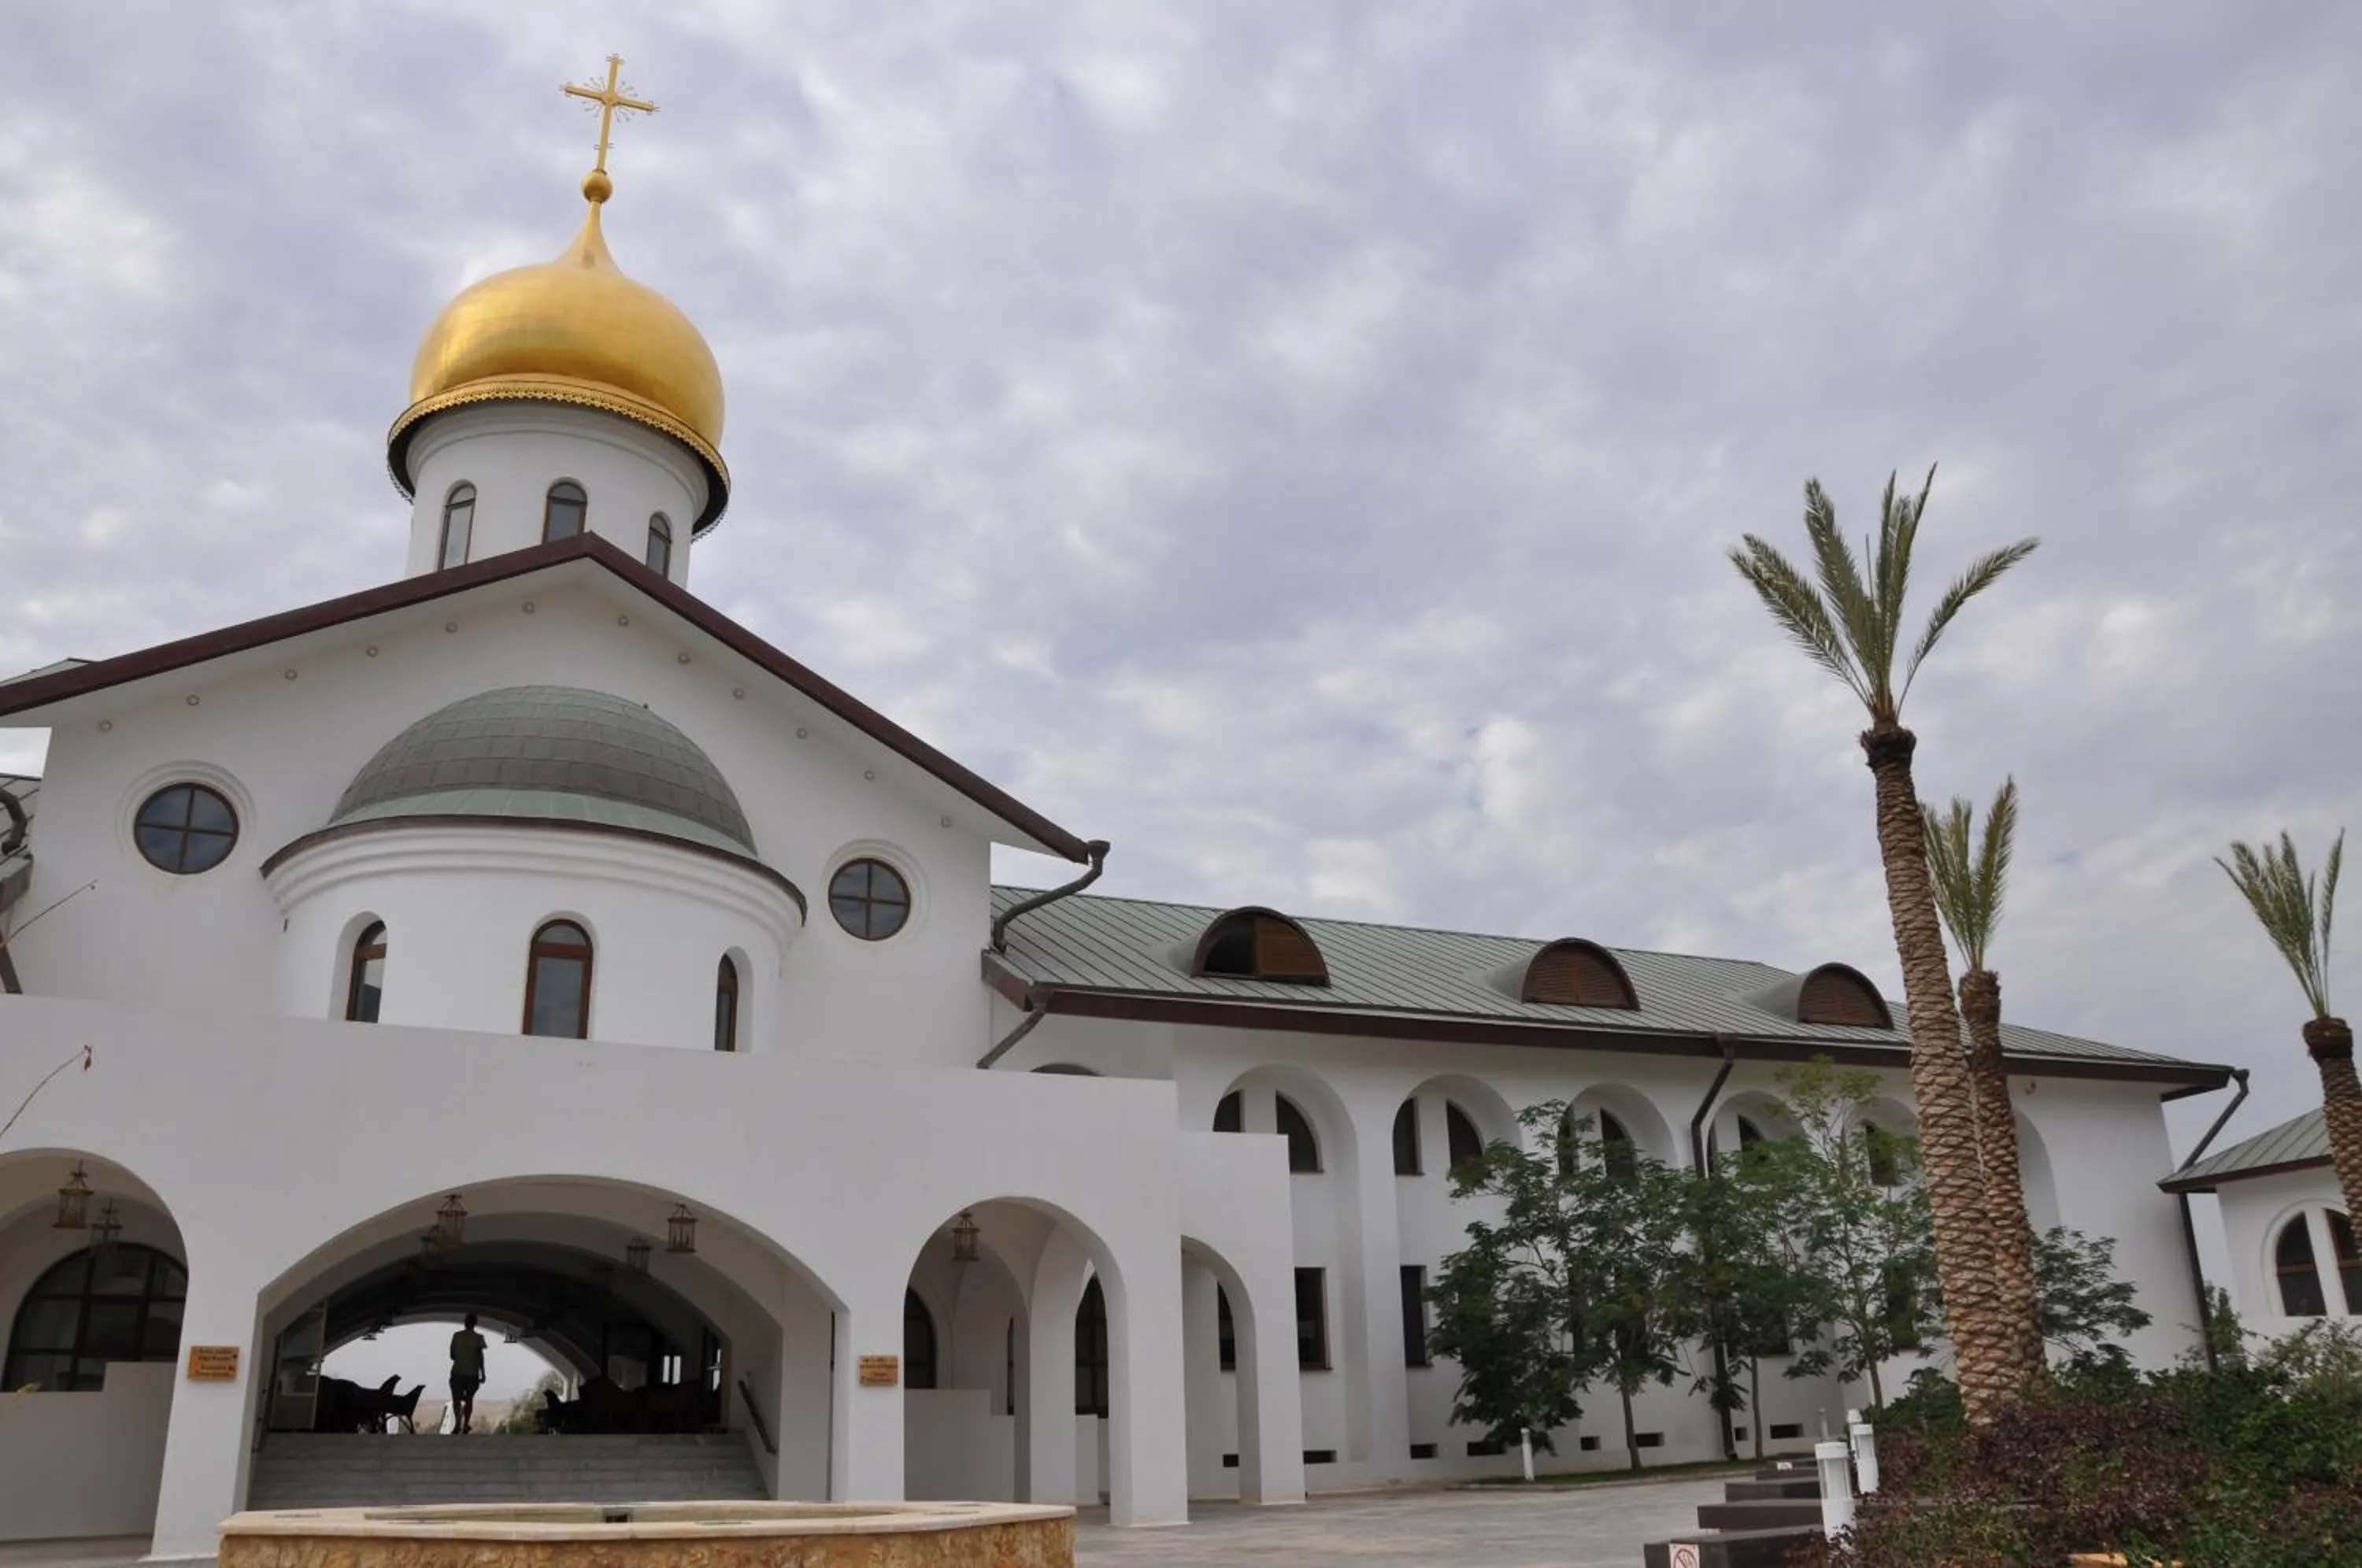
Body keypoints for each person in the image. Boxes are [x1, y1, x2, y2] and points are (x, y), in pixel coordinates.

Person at [448, 1313, 488, 1434]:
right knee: (469, 1400)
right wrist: (483, 1373)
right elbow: (480, 1358)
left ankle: (457, 1424)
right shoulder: (479, 1338)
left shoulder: (457, 1336)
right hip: (472, 1374)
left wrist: (461, 1355)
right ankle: (465, 1425)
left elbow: (452, 1356)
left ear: (465, 1323)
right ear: (475, 1324)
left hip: (457, 1372)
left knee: (456, 1400)